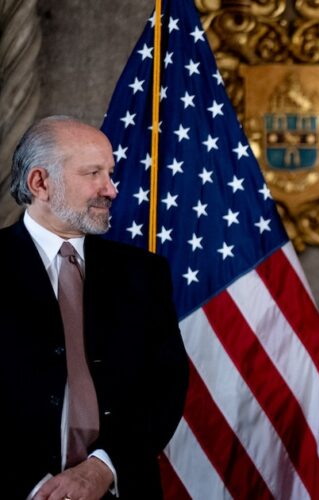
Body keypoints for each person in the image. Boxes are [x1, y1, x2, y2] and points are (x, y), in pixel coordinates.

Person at [0, 116, 189, 499]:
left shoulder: (144, 272)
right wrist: (35, 486)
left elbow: (165, 386)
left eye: (110, 172)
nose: (112, 189)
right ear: (40, 183)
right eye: (94, 174)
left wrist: (103, 467)